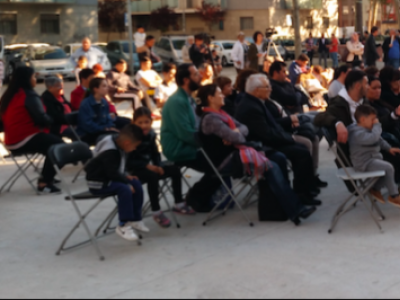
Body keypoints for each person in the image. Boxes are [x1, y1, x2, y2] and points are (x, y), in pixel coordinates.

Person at [197, 84, 317, 225]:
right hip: (227, 161)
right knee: (270, 166)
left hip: (240, 154)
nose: (223, 95)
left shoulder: (222, 114)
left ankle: (281, 206)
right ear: (210, 98)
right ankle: (296, 209)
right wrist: (235, 134)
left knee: (279, 157)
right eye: (219, 93)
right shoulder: (211, 119)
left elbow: (244, 129)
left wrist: (234, 132)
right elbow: (239, 137)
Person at [235, 74, 322, 206]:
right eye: (266, 87)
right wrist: (289, 139)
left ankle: (305, 190)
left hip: (268, 141)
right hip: (261, 146)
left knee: (302, 148)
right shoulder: (250, 107)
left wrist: (288, 137)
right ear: (257, 90)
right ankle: (301, 193)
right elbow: (266, 134)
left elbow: (272, 128)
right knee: (301, 152)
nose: (270, 89)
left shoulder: (257, 102)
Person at [161, 63, 224, 212]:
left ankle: (199, 198)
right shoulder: (177, 101)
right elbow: (186, 133)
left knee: (225, 158)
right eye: (196, 74)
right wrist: (211, 142)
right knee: (219, 165)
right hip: (180, 149)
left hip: (192, 144)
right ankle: (195, 199)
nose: (200, 76)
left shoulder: (188, 99)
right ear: (186, 80)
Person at [127, 107, 195, 228]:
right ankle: (156, 211)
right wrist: (147, 166)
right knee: (152, 176)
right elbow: (128, 160)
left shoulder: (151, 134)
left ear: (151, 122)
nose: (144, 126)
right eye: (140, 122)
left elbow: (155, 153)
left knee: (174, 170)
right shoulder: (130, 137)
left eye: (146, 122)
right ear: (134, 123)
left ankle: (178, 203)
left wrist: (158, 165)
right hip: (133, 170)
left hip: (150, 166)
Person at [0, 67, 64, 193]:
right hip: (24, 138)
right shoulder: (28, 95)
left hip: (11, 140)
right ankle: (44, 182)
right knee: (60, 147)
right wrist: (55, 119)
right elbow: (42, 118)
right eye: (33, 77)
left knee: (52, 143)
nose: (35, 80)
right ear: (27, 79)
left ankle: (47, 174)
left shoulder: (8, 96)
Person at [85, 124, 149, 241]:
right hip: (98, 182)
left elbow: (116, 168)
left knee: (136, 183)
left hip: (109, 176)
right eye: (135, 146)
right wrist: (125, 182)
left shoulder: (118, 141)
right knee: (125, 189)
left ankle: (135, 219)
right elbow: (111, 173)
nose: (135, 149)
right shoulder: (111, 152)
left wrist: (126, 176)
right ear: (127, 143)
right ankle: (123, 225)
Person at [264, 78, 326, 187]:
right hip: (285, 129)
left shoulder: (282, 87)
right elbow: (272, 123)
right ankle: (304, 184)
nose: (270, 89)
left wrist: (295, 99)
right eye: (266, 87)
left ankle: (313, 175)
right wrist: (289, 120)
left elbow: (301, 95)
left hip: (291, 121)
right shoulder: (265, 101)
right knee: (306, 143)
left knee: (315, 128)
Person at [348, 105, 400, 207]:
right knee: (388, 167)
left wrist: (389, 148)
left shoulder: (367, 130)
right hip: (363, 163)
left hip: (372, 159)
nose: (375, 122)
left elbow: (379, 139)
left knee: (386, 169)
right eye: (372, 119)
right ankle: (394, 195)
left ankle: (374, 189)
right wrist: (377, 126)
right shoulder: (356, 133)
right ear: (363, 119)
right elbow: (373, 138)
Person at [76, 78, 117, 145]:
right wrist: (104, 129)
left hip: (101, 130)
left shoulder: (104, 101)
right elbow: (87, 125)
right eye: (104, 86)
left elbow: (108, 118)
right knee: (115, 138)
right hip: (88, 134)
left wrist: (110, 127)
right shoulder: (86, 104)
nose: (107, 88)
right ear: (96, 89)